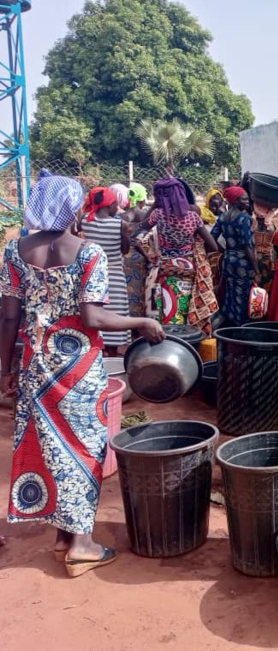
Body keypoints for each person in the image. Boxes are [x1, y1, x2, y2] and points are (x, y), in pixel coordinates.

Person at [0, 173, 164, 576]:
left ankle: (62, 538)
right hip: (76, 368)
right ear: (73, 207)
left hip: (35, 364)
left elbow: (7, 316)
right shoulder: (88, 252)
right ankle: (81, 546)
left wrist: (4, 369)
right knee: (84, 448)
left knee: (50, 448)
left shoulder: (14, 251)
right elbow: (92, 316)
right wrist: (141, 320)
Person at [139, 177, 219, 332]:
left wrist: (155, 204)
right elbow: (213, 246)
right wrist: (195, 251)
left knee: (166, 309)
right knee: (186, 308)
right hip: (189, 268)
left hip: (166, 269)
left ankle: (166, 339)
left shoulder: (158, 215)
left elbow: (139, 231)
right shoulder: (193, 217)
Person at [80, 186, 131, 354]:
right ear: (110, 205)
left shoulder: (84, 221)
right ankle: (113, 356)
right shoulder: (120, 224)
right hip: (114, 277)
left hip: (90, 275)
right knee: (115, 319)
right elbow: (125, 250)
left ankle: (97, 354)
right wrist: (126, 235)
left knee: (95, 316)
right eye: (116, 205)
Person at [211, 186, 257, 328]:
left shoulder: (223, 217)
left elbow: (212, 237)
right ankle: (239, 335)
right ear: (236, 200)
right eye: (244, 199)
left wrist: (225, 251)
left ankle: (222, 328)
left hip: (228, 261)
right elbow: (248, 246)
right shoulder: (244, 218)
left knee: (230, 296)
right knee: (243, 299)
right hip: (243, 263)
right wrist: (257, 270)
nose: (248, 201)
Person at [123, 182, 152, 319]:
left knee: (126, 293)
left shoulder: (121, 216)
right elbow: (139, 241)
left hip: (123, 257)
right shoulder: (144, 215)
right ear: (143, 198)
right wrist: (147, 256)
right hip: (139, 258)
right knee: (139, 294)